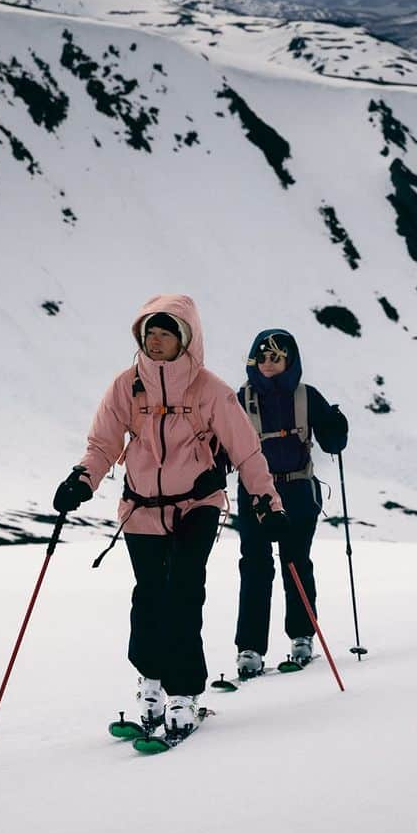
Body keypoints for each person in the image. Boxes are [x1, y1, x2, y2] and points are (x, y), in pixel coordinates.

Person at [52, 294, 286, 738]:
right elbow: (102, 444)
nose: (156, 340)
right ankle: (152, 682)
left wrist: (267, 502)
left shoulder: (209, 390)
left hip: (195, 507)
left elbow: (246, 450)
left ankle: (183, 692)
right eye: (150, 333)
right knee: (148, 597)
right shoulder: (126, 385)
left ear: (186, 339)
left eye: (166, 332)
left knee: (182, 591)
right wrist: (82, 481)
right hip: (141, 510)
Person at [234, 328, 348, 678]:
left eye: (277, 357)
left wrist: (335, 428)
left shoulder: (306, 397)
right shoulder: (240, 400)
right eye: (264, 357)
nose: (269, 364)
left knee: (294, 561)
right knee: (255, 565)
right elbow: (223, 442)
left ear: (289, 361)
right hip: (257, 492)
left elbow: (331, 441)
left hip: (297, 489)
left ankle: (301, 636)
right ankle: (250, 647)